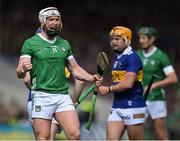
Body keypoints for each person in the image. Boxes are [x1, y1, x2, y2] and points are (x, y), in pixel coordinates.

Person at [16, 7, 101, 140]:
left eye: (57, 19)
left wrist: (91, 77)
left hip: (62, 96)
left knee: (75, 134)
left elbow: (76, 69)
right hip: (42, 95)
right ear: (43, 22)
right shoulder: (30, 43)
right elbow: (20, 73)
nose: (55, 22)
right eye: (51, 19)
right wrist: (23, 70)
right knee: (43, 137)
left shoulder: (64, 44)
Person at [97, 26, 146, 140]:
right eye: (112, 39)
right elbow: (119, 81)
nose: (113, 42)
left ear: (126, 40)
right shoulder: (118, 57)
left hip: (133, 105)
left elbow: (128, 83)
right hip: (117, 105)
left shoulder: (133, 57)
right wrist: (102, 83)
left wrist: (108, 89)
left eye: (117, 39)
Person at [137, 27, 178, 140]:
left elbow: (173, 78)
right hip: (140, 98)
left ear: (152, 39)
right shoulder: (137, 55)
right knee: (136, 129)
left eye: (144, 38)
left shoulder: (161, 56)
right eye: (140, 38)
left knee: (160, 134)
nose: (141, 40)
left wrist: (154, 85)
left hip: (156, 98)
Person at [24, 68, 84, 140]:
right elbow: (80, 81)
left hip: (33, 101)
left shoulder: (35, 57)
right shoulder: (64, 58)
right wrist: (73, 101)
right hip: (55, 99)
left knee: (40, 138)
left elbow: (27, 80)